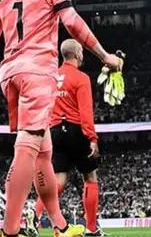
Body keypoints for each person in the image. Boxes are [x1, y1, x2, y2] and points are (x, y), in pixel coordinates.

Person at [0, 0, 125, 237]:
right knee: (28, 146)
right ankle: (9, 231)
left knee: (43, 149)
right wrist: (104, 55)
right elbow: (70, 21)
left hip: (8, 73)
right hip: (38, 72)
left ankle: (59, 225)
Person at [35, 40, 103, 236]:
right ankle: (91, 228)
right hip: (76, 129)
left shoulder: (50, 77)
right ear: (77, 54)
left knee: (58, 181)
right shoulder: (81, 78)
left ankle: (35, 214)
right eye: (81, 51)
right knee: (90, 177)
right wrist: (92, 137)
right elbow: (86, 111)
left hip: (54, 130)